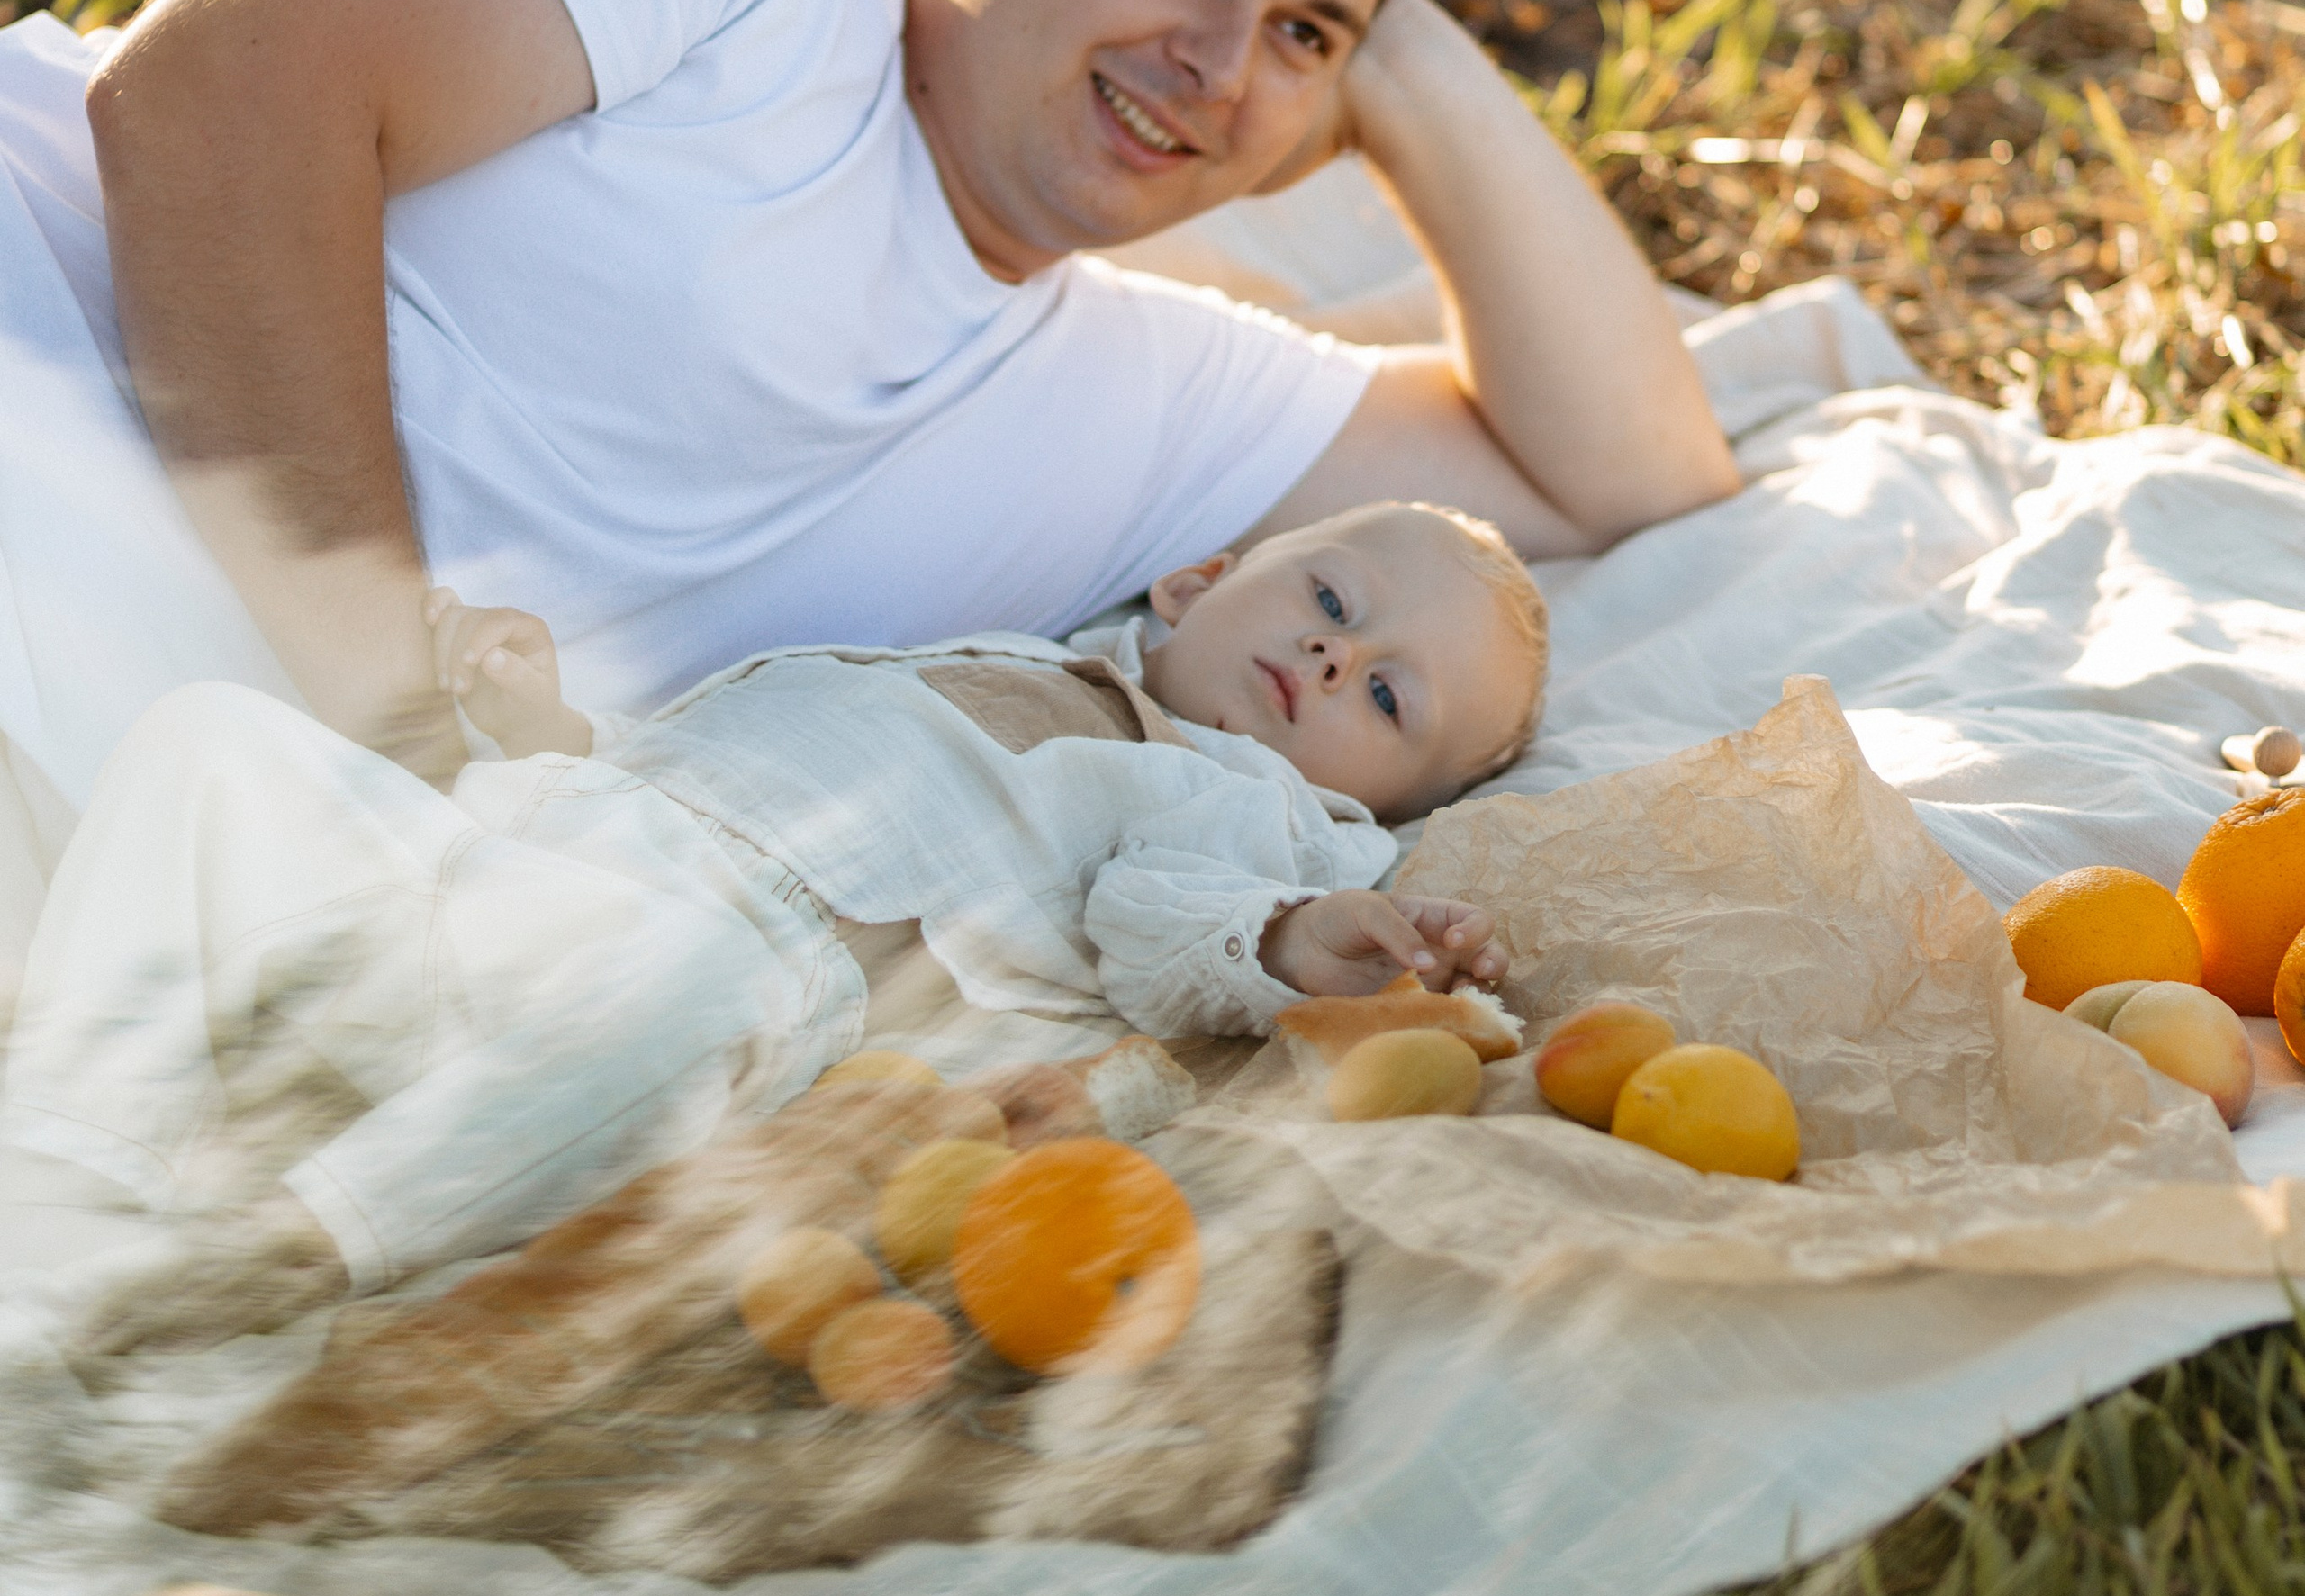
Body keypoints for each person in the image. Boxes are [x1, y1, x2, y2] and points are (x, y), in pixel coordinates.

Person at [0, 0, 1731, 949]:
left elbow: (1628, 471)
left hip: (116, 851)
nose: (1214, 70)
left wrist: (1389, 34)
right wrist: (390, 734)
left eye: (1301, 37)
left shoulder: (1141, 407)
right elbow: (215, 110)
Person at [6, 500, 1541, 1333]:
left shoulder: (1237, 803)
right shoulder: (1012, 649)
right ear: (1204, 576)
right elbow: (720, 753)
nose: (1338, 662)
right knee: (213, 744)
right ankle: (73, 1163)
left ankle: (280, 1256)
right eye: (1333, 605)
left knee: (671, 980)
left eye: (1389, 696)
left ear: (1377, 810)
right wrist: (542, 728)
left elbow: (1165, 922)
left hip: (725, 977)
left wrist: (1288, 939)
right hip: (518, 866)